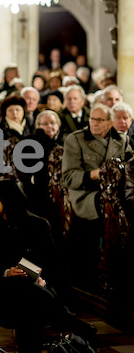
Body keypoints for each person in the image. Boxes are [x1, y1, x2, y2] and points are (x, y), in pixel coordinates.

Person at [0, 179, 96, 353]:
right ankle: (74, 324)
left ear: (7, 197)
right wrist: (6, 272)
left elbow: (52, 263)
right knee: (25, 290)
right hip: (0, 292)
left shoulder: (37, 225)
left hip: (33, 291)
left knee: (29, 301)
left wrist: (42, 280)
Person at [61, 103, 132, 289]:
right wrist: (97, 173)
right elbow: (68, 178)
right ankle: (95, 278)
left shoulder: (121, 139)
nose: (94, 123)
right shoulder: (76, 140)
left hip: (115, 194)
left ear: (110, 123)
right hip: (86, 195)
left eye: (100, 120)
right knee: (109, 207)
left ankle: (119, 273)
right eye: (92, 119)